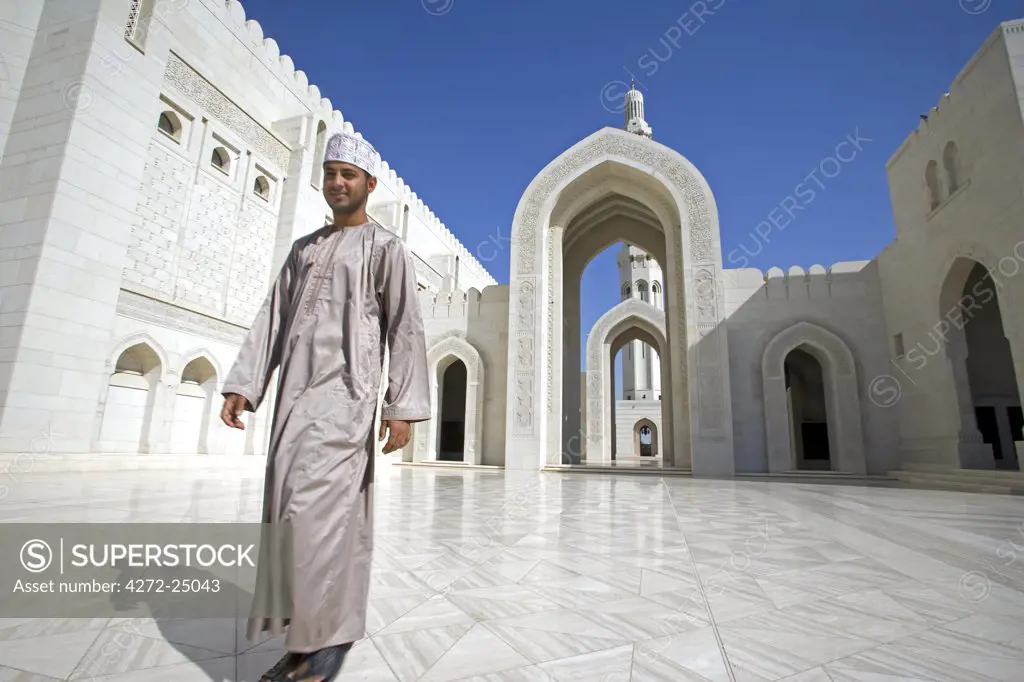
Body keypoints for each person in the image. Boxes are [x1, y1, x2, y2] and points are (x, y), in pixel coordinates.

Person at [219, 130, 431, 682]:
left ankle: (321, 644)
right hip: (294, 400)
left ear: (369, 185)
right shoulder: (305, 249)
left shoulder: (386, 249)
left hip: (348, 400)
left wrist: (401, 406)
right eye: (331, 173)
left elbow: (405, 329)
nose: (337, 183)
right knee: (291, 517)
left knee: (315, 519)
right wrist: (246, 381)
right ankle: (310, 639)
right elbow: (272, 318)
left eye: (348, 175)